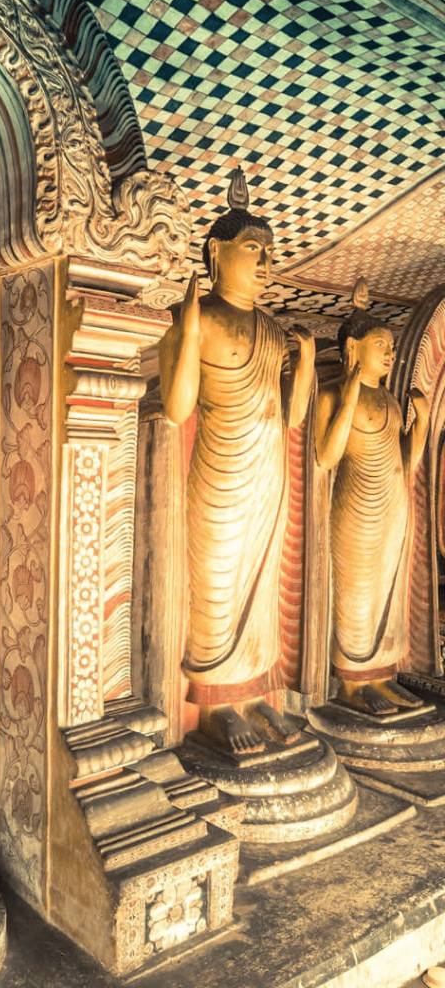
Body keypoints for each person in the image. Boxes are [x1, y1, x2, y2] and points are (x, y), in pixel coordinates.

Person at [160, 168, 315, 755]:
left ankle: (252, 697)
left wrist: (302, 358)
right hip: (221, 471)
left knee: (260, 585)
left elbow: (292, 418)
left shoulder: (273, 329)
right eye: (254, 248)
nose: (266, 261)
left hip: (267, 471)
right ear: (215, 253)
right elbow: (176, 409)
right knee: (218, 584)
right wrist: (190, 325)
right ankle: (218, 708)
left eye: (271, 251)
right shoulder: (196, 320)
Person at [315, 280, 428, 714]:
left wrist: (417, 426)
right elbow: (326, 457)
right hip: (354, 508)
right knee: (355, 591)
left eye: (392, 346)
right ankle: (350, 683)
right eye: (381, 344)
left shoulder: (390, 402)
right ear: (353, 349)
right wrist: (347, 396)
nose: (390, 353)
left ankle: (381, 675)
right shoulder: (331, 395)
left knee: (387, 590)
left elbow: (406, 465)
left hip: (392, 505)